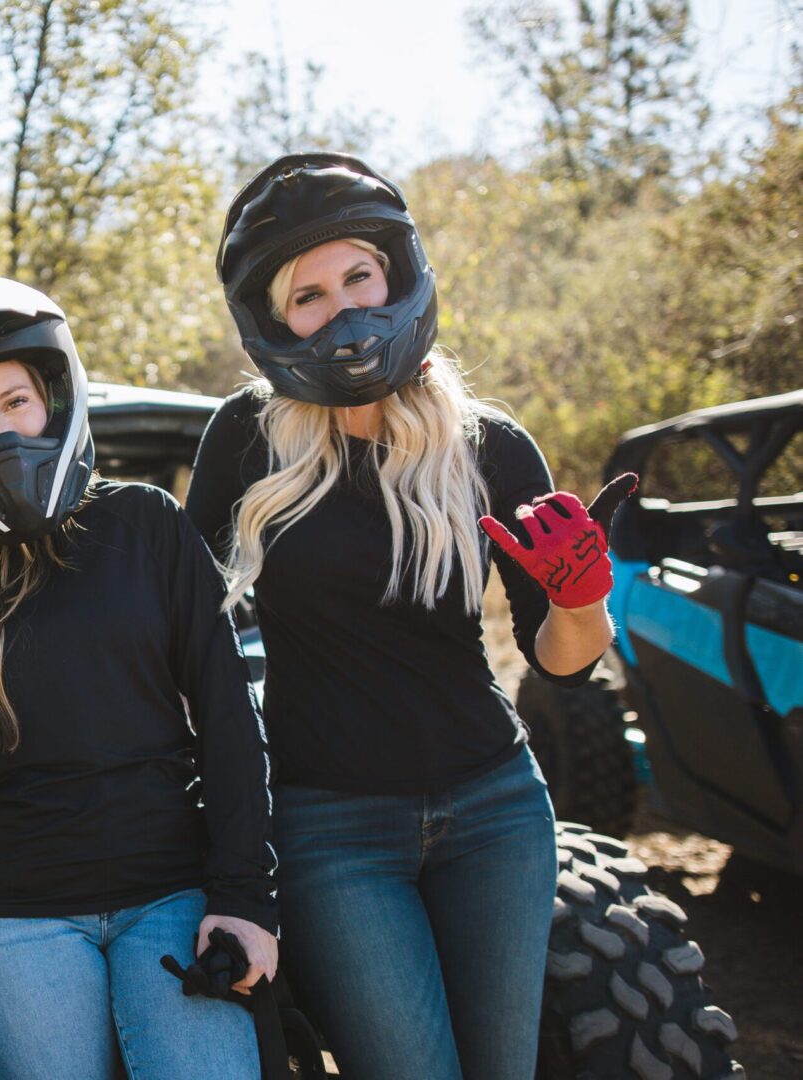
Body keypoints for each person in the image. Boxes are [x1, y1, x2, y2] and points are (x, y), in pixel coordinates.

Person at [186, 153, 634, 1080]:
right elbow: (189, 629)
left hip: (496, 808)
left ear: (396, 273)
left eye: (358, 276)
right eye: (308, 296)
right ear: (274, 320)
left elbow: (560, 662)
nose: (343, 309)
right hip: (327, 824)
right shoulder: (247, 437)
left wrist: (586, 599)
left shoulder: (491, 445)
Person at [0, 277, 280, 1080]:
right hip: (5, 914)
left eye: (15, 403)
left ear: (54, 399)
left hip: (170, 892)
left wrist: (246, 897)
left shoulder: (145, 523)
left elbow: (228, 719)